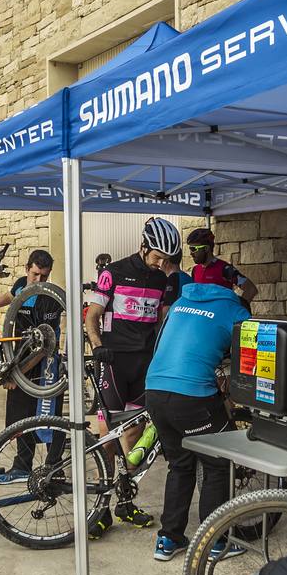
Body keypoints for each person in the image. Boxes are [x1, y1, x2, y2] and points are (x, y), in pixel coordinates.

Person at [82, 217, 177, 536]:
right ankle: (102, 508)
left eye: (167, 260)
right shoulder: (114, 273)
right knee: (108, 434)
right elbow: (91, 316)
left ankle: (123, 502)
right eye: (157, 258)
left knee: (134, 432)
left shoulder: (162, 280)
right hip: (112, 362)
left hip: (143, 363)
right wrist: (98, 347)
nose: (161, 264)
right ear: (144, 246)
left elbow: (161, 321)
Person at [144, 280, 251, 561]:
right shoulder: (236, 311)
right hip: (190, 394)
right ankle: (215, 542)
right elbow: (248, 360)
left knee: (180, 464)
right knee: (219, 463)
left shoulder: (181, 302)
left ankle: (169, 539)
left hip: (154, 389)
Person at [0, 249, 64, 485]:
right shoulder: (23, 284)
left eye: (44, 276)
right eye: (35, 275)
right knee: (19, 417)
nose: (38, 281)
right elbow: (12, 295)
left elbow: (45, 345)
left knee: (48, 416)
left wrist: (16, 374)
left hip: (44, 364)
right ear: (26, 269)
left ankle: (54, 468)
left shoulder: (49, 298)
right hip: (19, 358)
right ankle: (23, 467)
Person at [186, 227, 257, 307]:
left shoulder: (225, 268)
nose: (191, 253)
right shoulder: (195, 270)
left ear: (206, 248)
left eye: (193, 249)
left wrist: (236, 309)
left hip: (220, 317)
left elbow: (251, 289)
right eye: (190, 249)